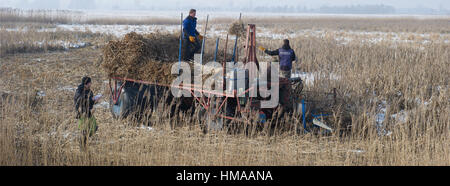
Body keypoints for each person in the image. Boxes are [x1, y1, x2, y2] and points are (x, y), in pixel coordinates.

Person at [74, 77, 100, 142]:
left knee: (94, 127)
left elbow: (90, 103)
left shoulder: (90, 91)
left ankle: (85, 140)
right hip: (82, 113)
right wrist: (89, 99)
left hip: (88, 112)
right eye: (89, 83)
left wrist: (95, 100)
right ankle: (82, 144)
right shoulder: (79, 90)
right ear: (86, 84)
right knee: (84, 130)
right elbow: (79, 100)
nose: (91, 84)